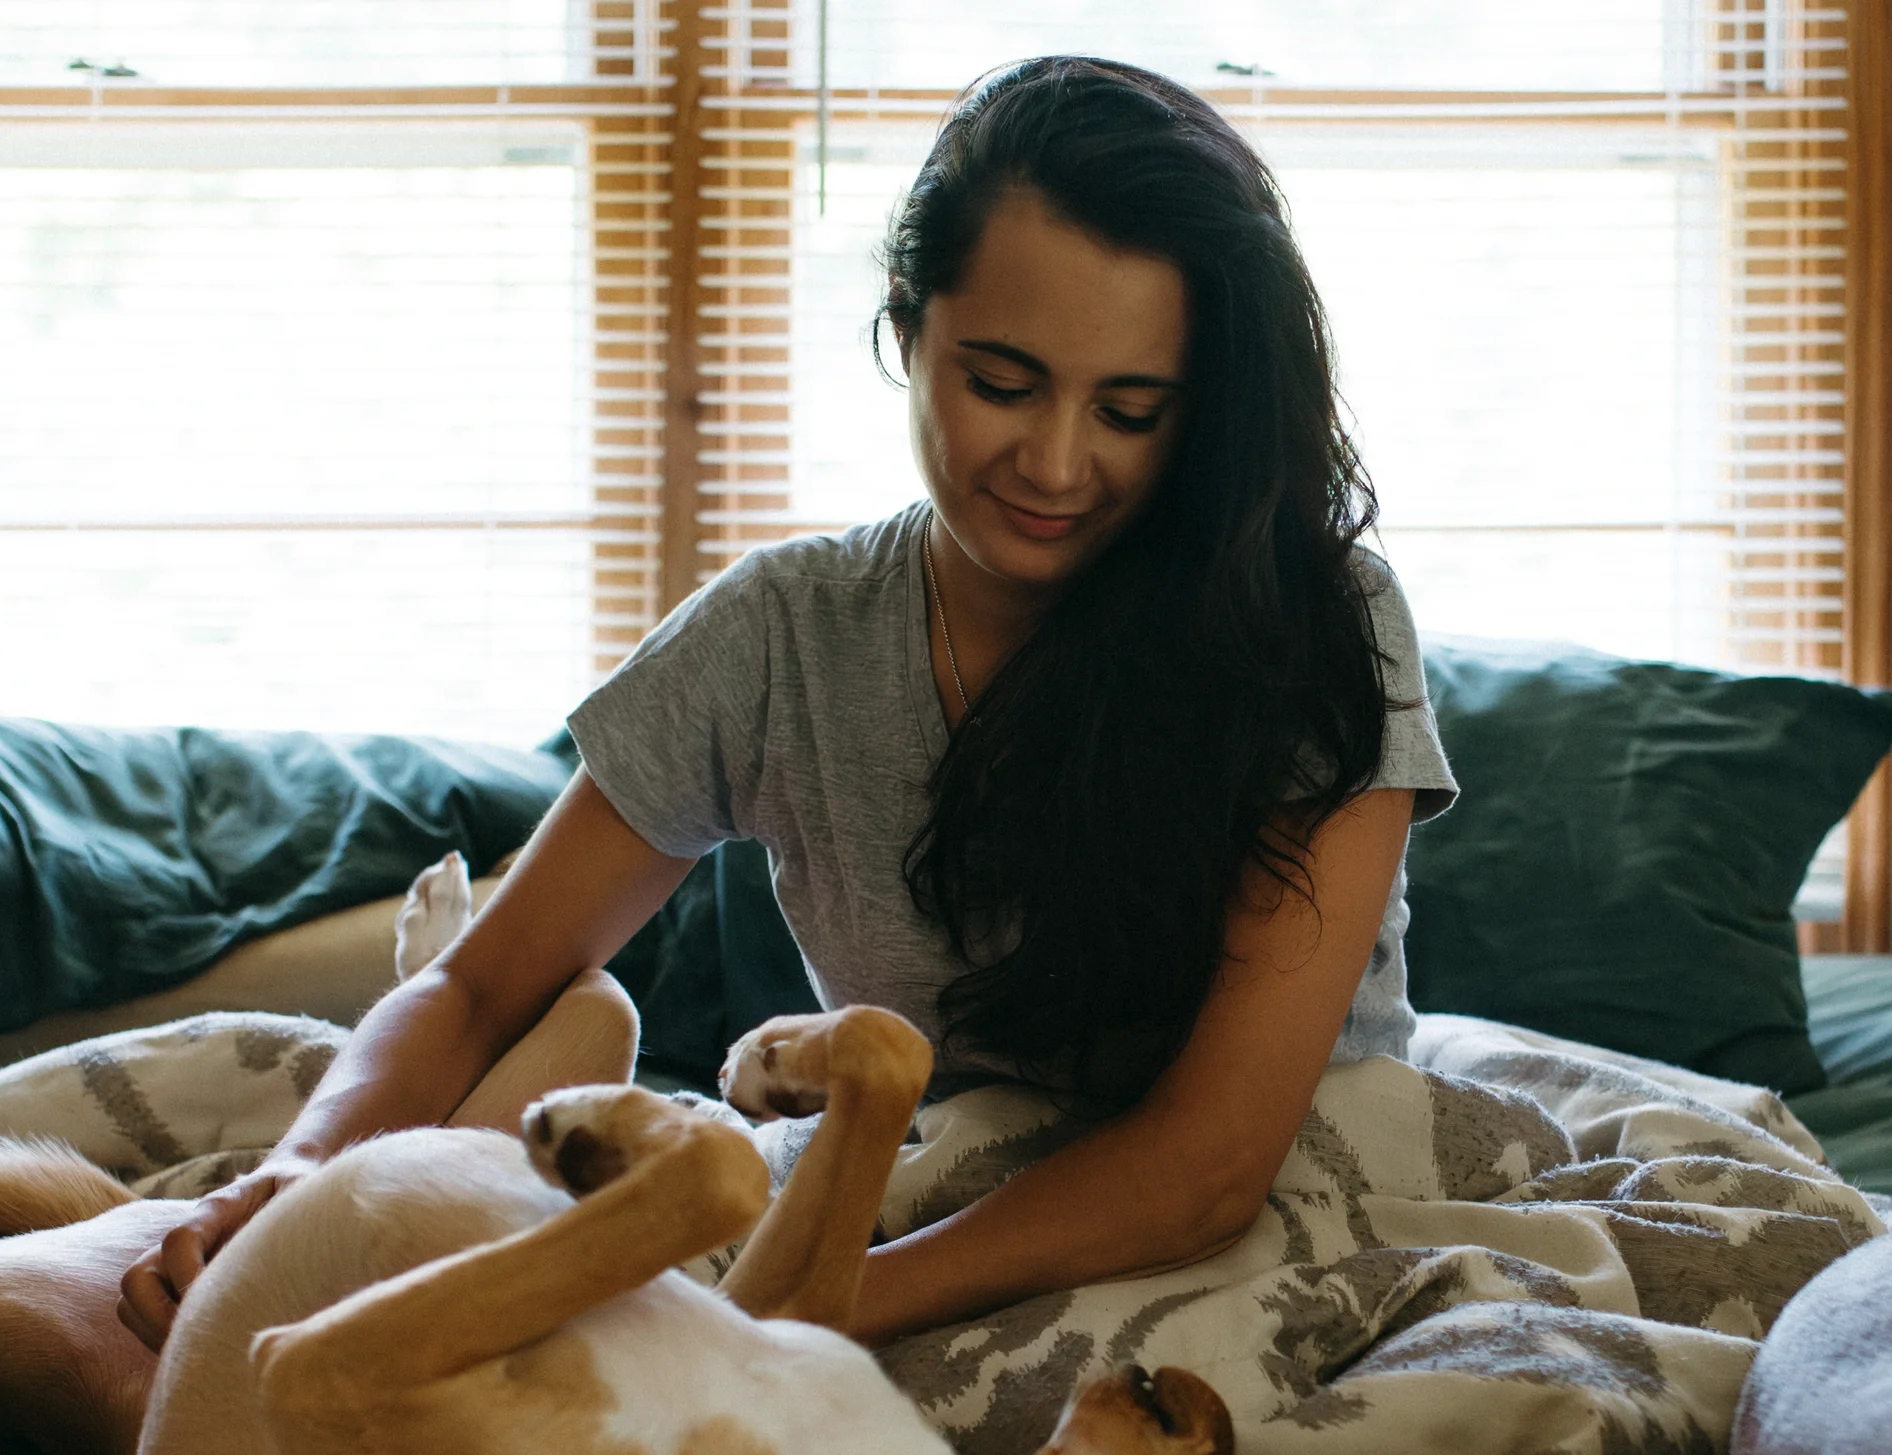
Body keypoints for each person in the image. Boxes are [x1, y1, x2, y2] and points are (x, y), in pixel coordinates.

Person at [118, 55, 1456, 1351]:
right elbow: (479, 985)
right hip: (904, 1202)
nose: (1056, 462)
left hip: (1257, 1208)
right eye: (1001, 383)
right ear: (904, 330)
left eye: (1131, 410)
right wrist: (294, 1180)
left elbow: (1210, 1165)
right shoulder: (782, 636)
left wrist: (822, 1305)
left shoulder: (1315, 627)